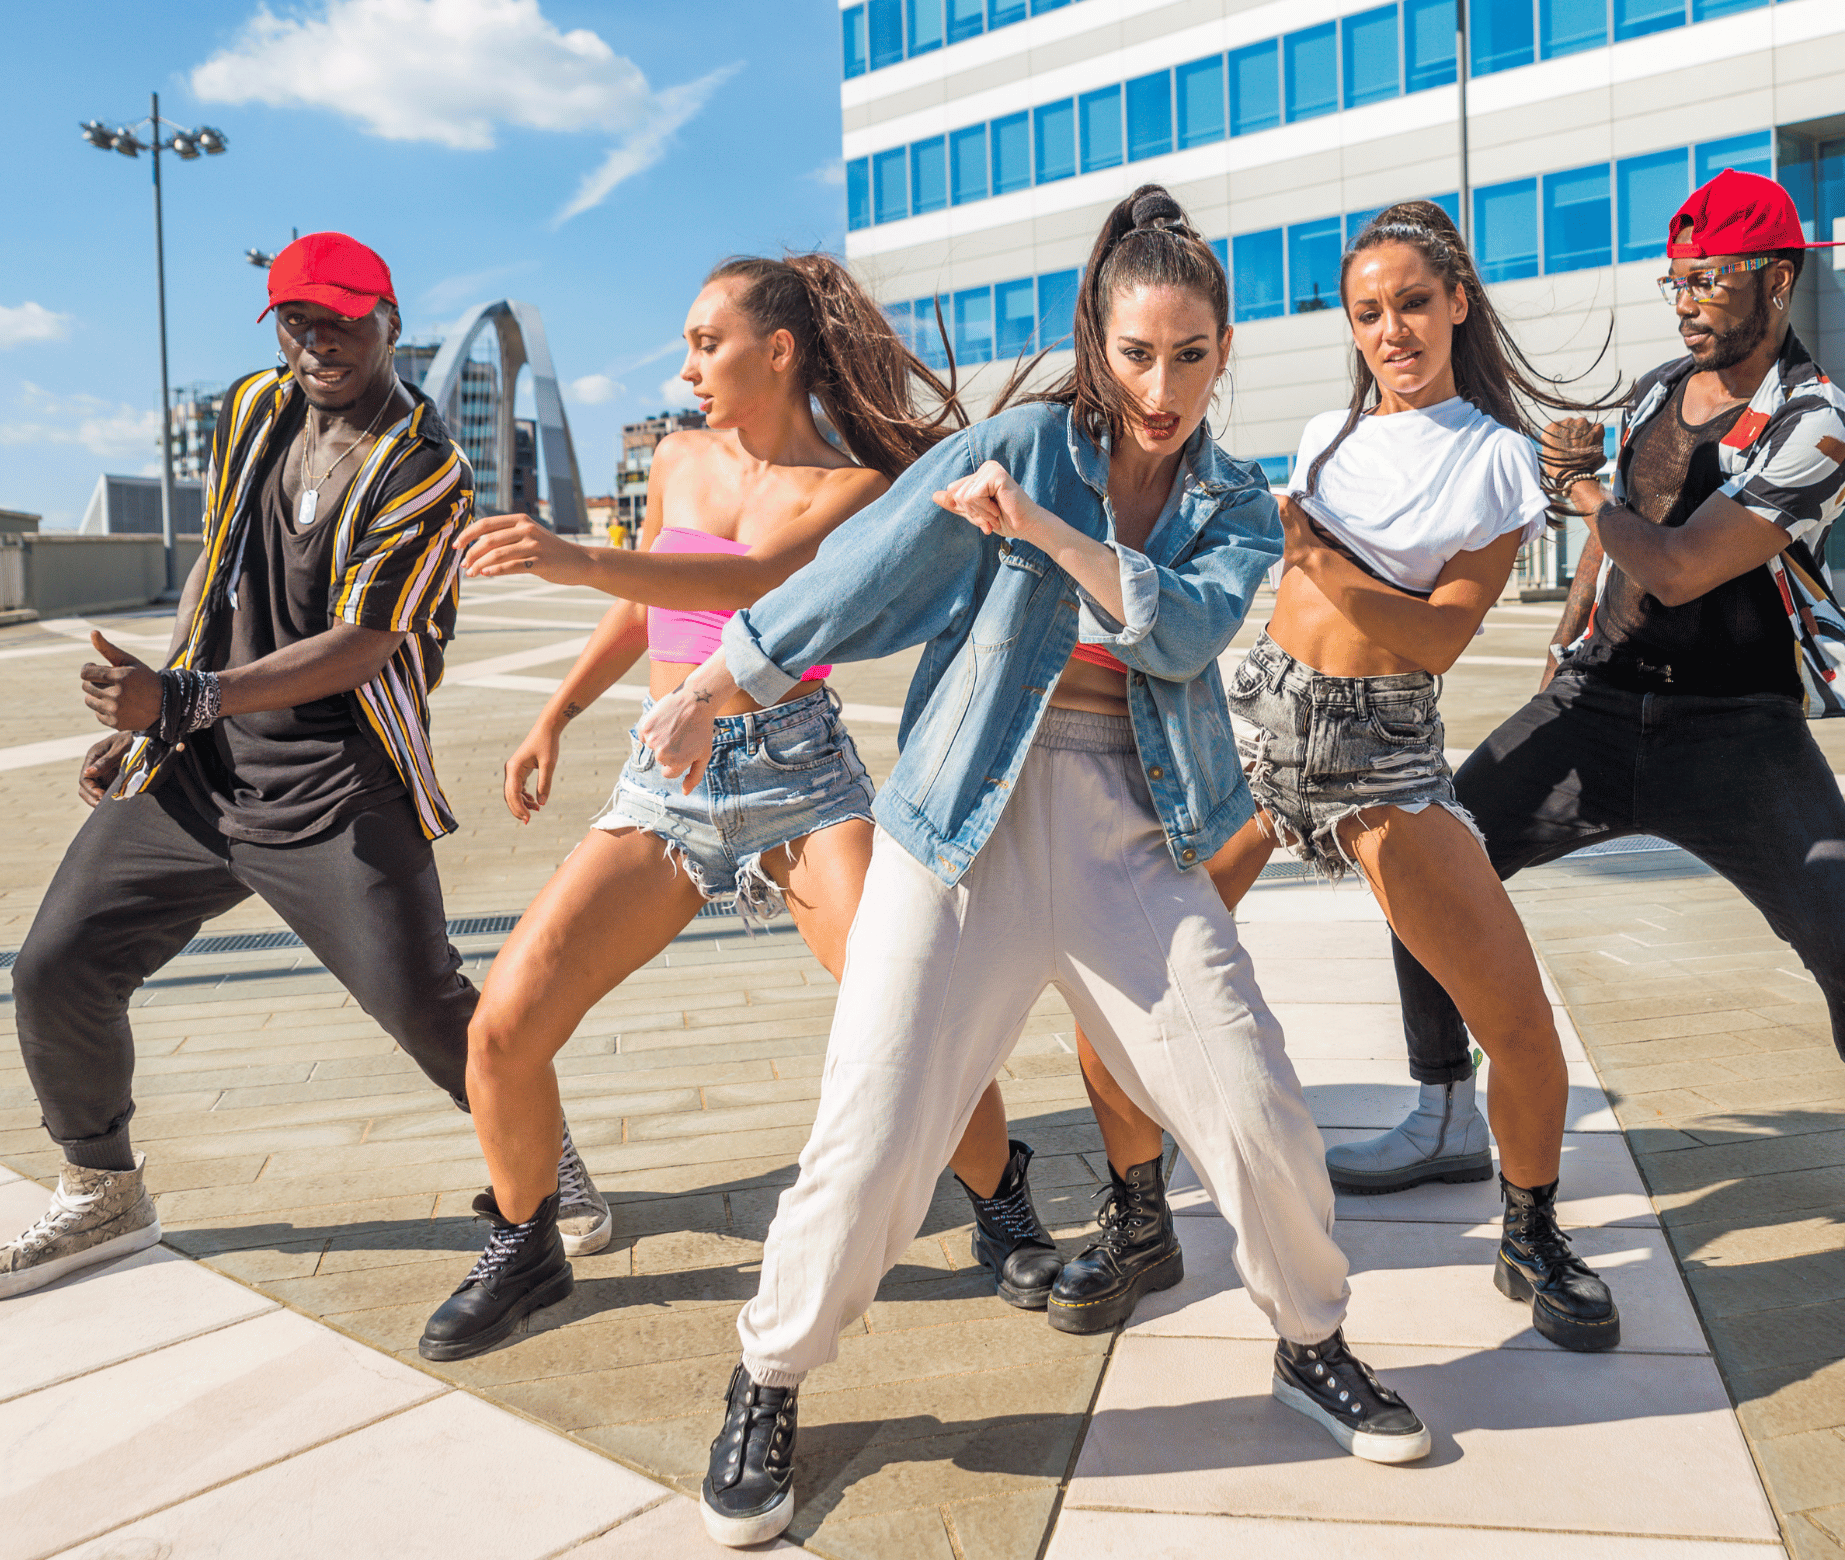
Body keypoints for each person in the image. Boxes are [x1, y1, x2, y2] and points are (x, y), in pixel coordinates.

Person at [645, 187, 1432, 1550]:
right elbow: (866, 572)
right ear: (1098, 339)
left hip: (1134, 830)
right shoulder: (1019, 444)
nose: (1163, 386)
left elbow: (1180, 636)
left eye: (1192, 355)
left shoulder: (1240, 501)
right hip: (962, 822)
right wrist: (720, 680)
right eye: (1138, 353)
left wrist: (1053, 536)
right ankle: (768, 1374)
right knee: (876, 1131)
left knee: (1253, 1105)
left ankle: (1312, 1341)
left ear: (1225, 349)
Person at [1330, 169, 1845, 1287]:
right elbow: (1615, 541)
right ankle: (1442, 1108)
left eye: (1709, 277)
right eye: (1674, 278)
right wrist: (1565, 635)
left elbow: (1682, 563)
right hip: (1593, 706)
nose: (1685, 299)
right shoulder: (1653, 390)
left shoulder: (1817, 418)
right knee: (1425, 862)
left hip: (1736, 733)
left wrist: (1588, 496)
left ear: (1774, 280)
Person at [415, 255, 1062, 1363]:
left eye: (705, 341)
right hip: (663, 775)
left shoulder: (853, 488)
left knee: (906, 1005)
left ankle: (1000, 1202)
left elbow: (751, 583)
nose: (685, 365)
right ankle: (525, 1241)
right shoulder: (674, 455)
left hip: (796, 773)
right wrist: (556, 715)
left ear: (779, 348)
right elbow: (647, 597)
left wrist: (572, 556)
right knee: (504, 1025)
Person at [1060, 200, 1622, 1353]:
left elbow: (1432, 638)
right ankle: (1135, 1218)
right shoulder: (1324, 432)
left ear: (1456, 302)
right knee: (1117, 983)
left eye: (1412, 303)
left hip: (1383, 749)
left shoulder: (1497, 459)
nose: (1392, 330)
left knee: (1512, 1018)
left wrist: (1306, 543)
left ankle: (1532, 1229)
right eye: (1368, 311)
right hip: (1256, 724)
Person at [0, 233, 603, 1299]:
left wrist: (182, 696)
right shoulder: (252, 407)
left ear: (391, 319)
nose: (320, 340)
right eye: (298, 320)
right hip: (201, 768)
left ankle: (542, 1152)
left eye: (343, 318)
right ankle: (103, 1187)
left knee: (424, 1004)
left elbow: (369, 639)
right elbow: (218, 557)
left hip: (338, 779)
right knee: (56, 964)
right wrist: (162, 719)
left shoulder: (423, 460)